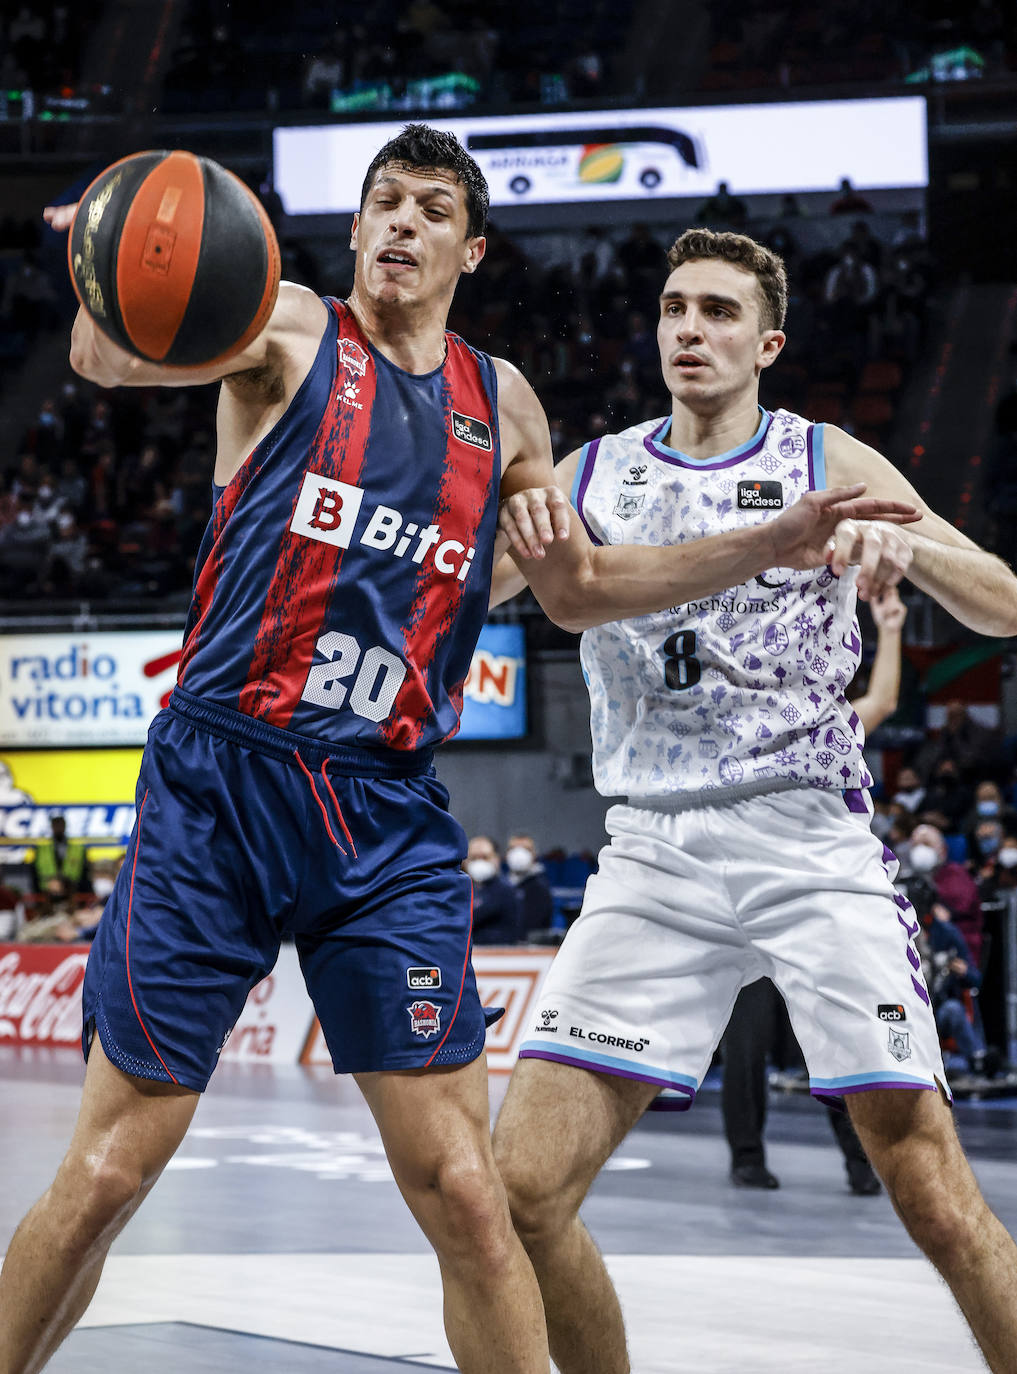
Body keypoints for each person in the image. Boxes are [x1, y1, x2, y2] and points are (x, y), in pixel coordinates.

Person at [2, 129, 912, 1374]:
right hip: (224, 784)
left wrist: (774, 539)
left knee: (470, 1196)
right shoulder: (287, 331)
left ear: (469, 249)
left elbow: (580, 591)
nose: (401, 224)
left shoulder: (508, 407)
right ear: (358, 226)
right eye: (385, 202)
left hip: (384, 817)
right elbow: (105, 356)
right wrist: (117, 258)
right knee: (109, 1173)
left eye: (432, 210)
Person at [491, 226, 1017, 1374]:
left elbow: (1003, 603)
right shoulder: (596, 476)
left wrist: (904, 543)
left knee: (923, 1178)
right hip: (651, 855)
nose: (691, 328)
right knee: (520, 1190)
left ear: (768, 340)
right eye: (676, 307)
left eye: (720, 312)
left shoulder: (829, 461)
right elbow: (454, 594)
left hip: (804, 836)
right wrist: (491, 532)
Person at [466, 834, 521, 944]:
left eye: (485, 857)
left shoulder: (505, 890)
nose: (479, 862)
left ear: (496, 859)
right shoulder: (464, 888)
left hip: (498, 955)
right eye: (474, 858)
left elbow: (469, 918)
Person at [504, 832, 554, 939]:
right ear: (506, 854)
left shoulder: (540, 888)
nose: (519, 854)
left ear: (534, 854)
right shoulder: (502, 885)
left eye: (526, 849)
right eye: (513, 849)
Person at [31, 813, 91, 901]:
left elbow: (84, 872)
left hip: (73, 891)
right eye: (56, 825)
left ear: (65, 826)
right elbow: (34, 873)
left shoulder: (77, 848)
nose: (58, 828)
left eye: (60, 825)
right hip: (47, 893)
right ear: (52, 827)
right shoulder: (42, 848)